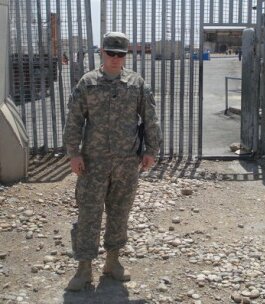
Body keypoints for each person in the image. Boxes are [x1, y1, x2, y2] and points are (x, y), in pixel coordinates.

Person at [63, 32, 161, 291]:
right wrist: (74, 153)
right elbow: (74, 119)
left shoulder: (136, 83)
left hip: (126, 163)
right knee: (88, 214)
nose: (115, 59)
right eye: (111, 53)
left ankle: (112, 262)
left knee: (119, 213)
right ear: (101, 53)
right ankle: (84, 268)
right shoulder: (88, 82)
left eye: (121, 54)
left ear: (126, 55)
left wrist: (152, 150)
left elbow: (150, 118)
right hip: (93, 164)